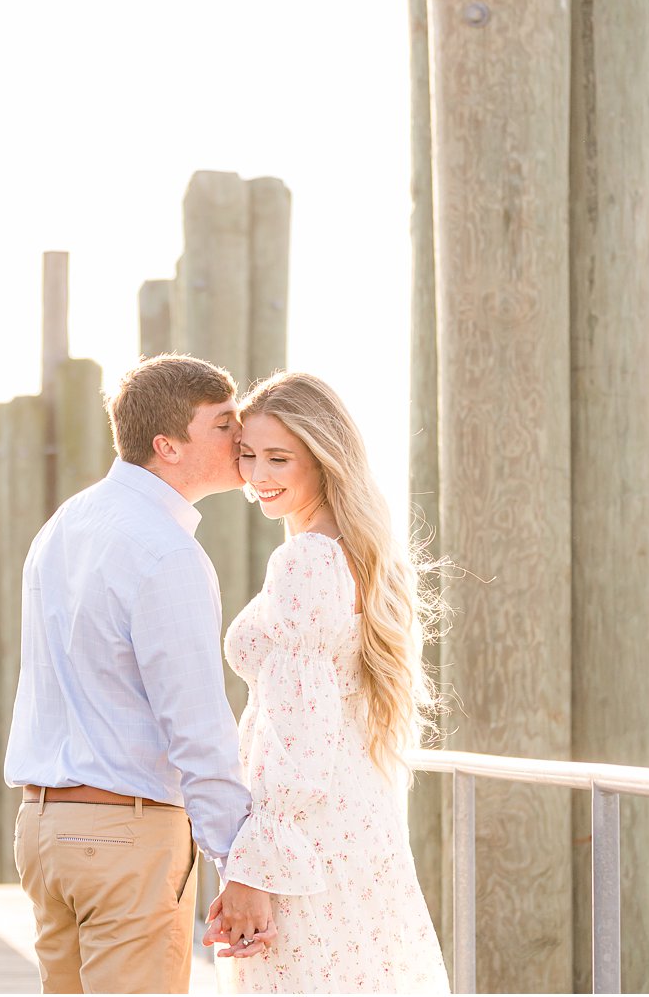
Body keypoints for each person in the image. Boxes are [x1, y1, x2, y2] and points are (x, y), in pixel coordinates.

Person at [5, 354, 275, 994]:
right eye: (221, 424)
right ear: (168, 446)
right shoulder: (167, 550)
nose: (240, 438)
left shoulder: (62, 527)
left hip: (43, 833)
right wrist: (238, 864)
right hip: (124, 834)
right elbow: (197, 725)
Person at [203, 372, 450, 994]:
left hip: (307, 836)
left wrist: (254, 868)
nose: (259, 474)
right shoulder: (352, 550)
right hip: (353, 816)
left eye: (279, 458)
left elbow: (298, 731)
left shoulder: (308, 559)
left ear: (325, 457)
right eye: (248, 456)